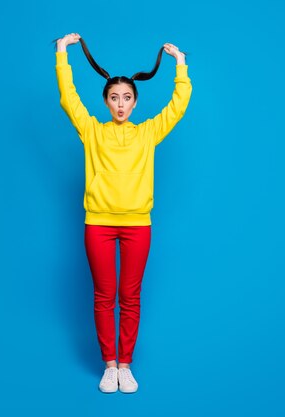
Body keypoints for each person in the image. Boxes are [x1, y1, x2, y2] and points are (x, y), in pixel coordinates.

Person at [54, 32, 192, 393]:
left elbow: (178, 106)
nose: (120, 103)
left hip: (137, 225)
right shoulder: (92, 132)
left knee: (130, 296)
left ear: (134, 104)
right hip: (98, 223)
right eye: (113, 97)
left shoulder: (148, 133)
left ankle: (126, 365)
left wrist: (180, 64)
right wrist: (61, 54)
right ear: (105, 101)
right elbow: (69, 100)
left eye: (126, 98)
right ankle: (109, 365)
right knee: (104, 295)